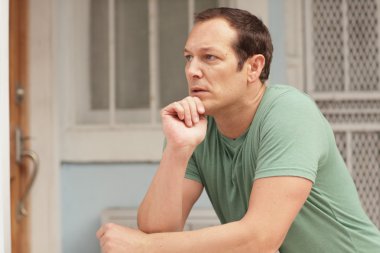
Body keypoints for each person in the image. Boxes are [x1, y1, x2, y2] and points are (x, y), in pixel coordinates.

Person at [97, 7, 380, 253]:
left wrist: (144, 248)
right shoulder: (196, 128)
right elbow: (158, 232)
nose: (192, 70)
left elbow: (260, 238)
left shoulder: (289, 112)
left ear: (254, 67)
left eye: (209, 57)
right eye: (188, 57)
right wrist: (177, 149)